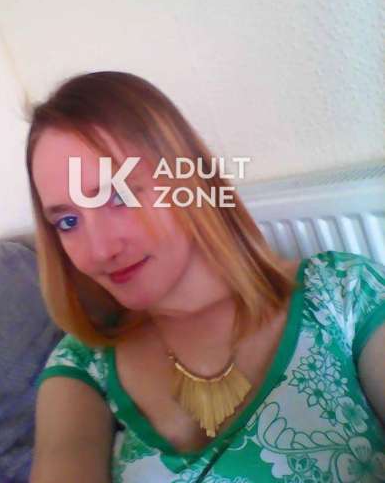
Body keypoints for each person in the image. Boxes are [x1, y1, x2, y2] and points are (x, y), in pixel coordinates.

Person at [26, 72, 384, 483]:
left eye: (119, 195)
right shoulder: (83, 364)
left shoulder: (342, 294)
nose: (99, 251)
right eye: (68, 221)